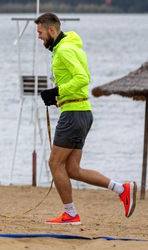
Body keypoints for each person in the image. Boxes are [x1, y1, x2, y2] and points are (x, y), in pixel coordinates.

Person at [35, 12, 136, 225]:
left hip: (74, 114)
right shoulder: (68, 47)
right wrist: (58, 97)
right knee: (72, 169)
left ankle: (71, 214)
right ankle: (121, 189)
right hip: (80, 111)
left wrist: (56, 91)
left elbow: (82, 78)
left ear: (51, 30)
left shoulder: (64, 50)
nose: (39, 37)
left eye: (40, 32)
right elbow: (78, 79)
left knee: (54, 163)